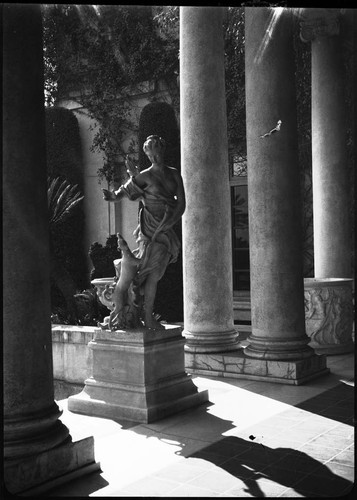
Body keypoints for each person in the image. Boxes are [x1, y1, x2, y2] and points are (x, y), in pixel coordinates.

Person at [102, 135, 186, 330]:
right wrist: (113, 196)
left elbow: (181, 203)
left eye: (156, 153)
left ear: (162, 151)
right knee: (150, 273)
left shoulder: (174, 174)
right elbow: (125, 190)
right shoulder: (145, 176)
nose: (154, 158)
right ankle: (144, 315)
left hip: (165, 227)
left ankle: (147, 316)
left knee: (156, 273)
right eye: (150, 155)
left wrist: (170, 222)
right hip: (149, 228)